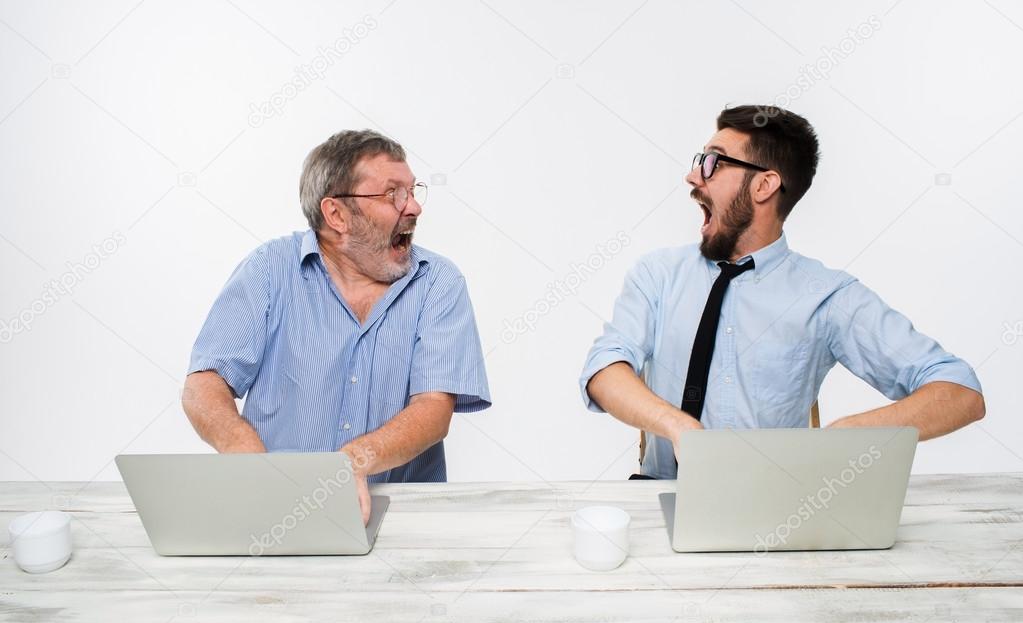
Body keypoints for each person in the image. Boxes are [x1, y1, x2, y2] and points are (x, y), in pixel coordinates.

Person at [580, 105, 984, 479]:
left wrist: (850, 434)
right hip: (663, 495)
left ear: (764, 186)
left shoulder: (826, 296)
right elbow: (604, 370)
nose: (693, 176)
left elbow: (959, 390)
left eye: (712, 162)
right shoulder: (658, 275)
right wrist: (677, 426)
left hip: (778, 514)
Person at [183, 130, 491, 520]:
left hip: (405, 516)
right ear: (336, 215)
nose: (413, 207)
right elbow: (204, 383)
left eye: (413, 191)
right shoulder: (268, 270)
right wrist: (244, 453)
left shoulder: (438, 282)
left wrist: (349, 464)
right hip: (276, 508)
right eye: (393, 193)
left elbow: (434, 408)